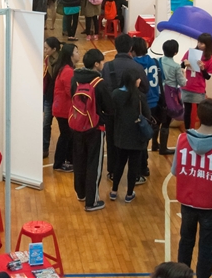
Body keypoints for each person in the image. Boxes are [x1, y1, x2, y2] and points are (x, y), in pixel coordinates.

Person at [173, 100, 212, 278]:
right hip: (211, 206)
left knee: (185, 242)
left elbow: (175, 171)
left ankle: (181, 275)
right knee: (206, 248)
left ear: (198, 116)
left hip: (187, 202)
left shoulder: (182, 139)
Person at [70, 48, 112, 212]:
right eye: (102, 61)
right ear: (96, 64)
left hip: (76, 125)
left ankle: (81, 193)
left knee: (79, 160)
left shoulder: (75, 79)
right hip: (95, 128)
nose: (103, 64)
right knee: (94, 163)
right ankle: (91, 201)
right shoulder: (99, 83)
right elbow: (109, 107)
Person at [102, 34, 148, 181]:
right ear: (130, 48)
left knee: (112, 142)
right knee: (135, 144)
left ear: (115, 47)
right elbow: (145, 88)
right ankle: (136, 174)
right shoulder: (137, 67)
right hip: (133, 113)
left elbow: (102, 88)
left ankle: (112, 171)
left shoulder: (107, 66)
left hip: (112, 111)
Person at [110, 70, 150, 202]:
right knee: (133, 167)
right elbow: (148, 115)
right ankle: (129, 194)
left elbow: (111, 113)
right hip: (137, 137)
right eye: (138, 78)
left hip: (121, 136)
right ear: (133, 81)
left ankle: (114, 191)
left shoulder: (115, 94)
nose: (140, 80)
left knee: (119, 164)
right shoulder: (140, 96)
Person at [131, 37, 165, 178]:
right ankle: (143, 165)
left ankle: (141, 166)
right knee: (146, 135)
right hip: (154, 103)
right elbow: (161, 80)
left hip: (140, 104)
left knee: (138, 137)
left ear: (132, 50)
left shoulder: (133, 64)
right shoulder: (155, 62)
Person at [52, 43, 79, 172]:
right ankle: (59, 163)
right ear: (70, 55)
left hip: (62, 108)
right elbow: (71, 91)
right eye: (76, 52)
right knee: (65, 135)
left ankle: (68, 159)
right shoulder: (68, 71)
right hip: (64, 109)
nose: (78, 54)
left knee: (68, 135)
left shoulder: (66, 69)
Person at [181, 33, 212, 129]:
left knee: (201, 112)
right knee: (187, 111)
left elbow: (208, 77)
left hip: (199, 88)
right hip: (187, 86)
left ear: (207, 45)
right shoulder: (190, 52)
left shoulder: (210, 58)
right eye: (199, 42)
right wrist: (185, 63)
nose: (199, 44)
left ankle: (201, 131)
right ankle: (187, 131)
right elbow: (181, 66)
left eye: (202, 43)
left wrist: (203, 68)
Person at [161, 39, 187, 135]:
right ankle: (163, 143)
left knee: (157, 119)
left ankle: (154, 142)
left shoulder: (158, 61)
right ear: (175, 52)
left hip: (159, 91)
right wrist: (183, 73)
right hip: (170, 94)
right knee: (166, 121)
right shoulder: (176, 66)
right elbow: (182, 83)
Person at [43, 37, 61, 159]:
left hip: (59, 98)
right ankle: (44, 148)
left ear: (54, 49)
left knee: (63, 126)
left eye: (46, 48)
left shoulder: (62, 61)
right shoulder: (46, 60)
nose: (44, 50)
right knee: (46, 124)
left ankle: (64, 152)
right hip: (49, 96)